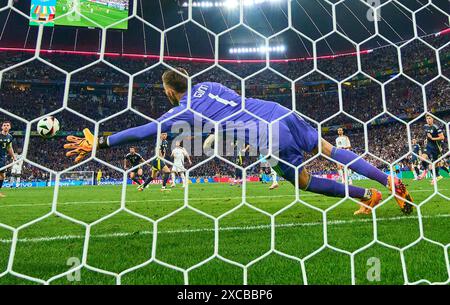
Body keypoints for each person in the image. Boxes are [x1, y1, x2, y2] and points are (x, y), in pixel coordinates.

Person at [63, 68, 414, 215]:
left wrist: (102, 143)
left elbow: (146, 131)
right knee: (328, 149)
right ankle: (388, 182)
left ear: (171, 91)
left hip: (265, 137)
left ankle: (367, 195)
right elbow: (223, 117)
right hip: (277, 110)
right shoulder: (211, 85)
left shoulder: (183, 108)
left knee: (304, 181)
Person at [0, 121, 16, 197]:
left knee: (2, 176)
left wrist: (13, 156)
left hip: (2, 158)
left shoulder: (10, 137)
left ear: (10, 127)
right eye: (4, 125)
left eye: (7, 125)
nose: (6, 126)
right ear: (2, 127)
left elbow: (9, 147)